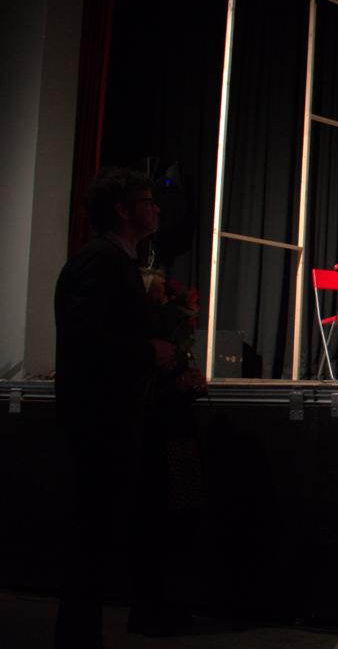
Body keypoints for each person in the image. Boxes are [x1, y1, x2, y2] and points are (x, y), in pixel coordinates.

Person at [54, 167, 176, 648]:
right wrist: (149, 351)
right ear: (123, 210)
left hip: (127, 417)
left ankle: (112, 621)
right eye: (147, 199)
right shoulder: (100, 262)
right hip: (102, 421)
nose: (156, 207)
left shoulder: (121, 262)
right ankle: (79, 634)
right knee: (93, 533)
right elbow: (88, 341)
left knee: (112, 528)